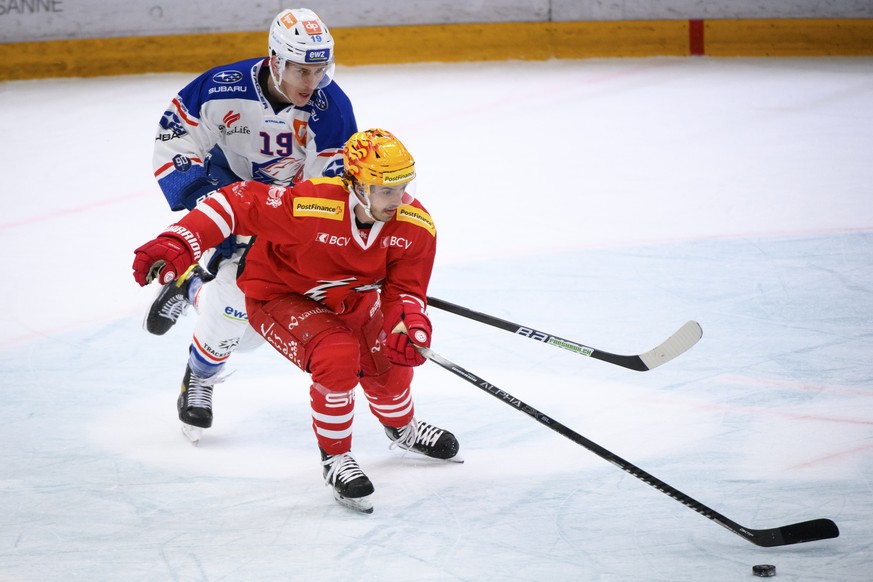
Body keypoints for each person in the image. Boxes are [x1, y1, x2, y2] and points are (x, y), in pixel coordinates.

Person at [132, 128, 461, 513]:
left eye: (403, 187)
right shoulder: (311, 205)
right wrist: (180, 240)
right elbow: (235, 203)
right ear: (356, 185)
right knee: (336, 355)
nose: (398, 199)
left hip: (349, 298)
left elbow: (405, 290)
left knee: (387, 365)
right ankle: (336, 459)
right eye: (386, 190)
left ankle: (402, 429)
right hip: (280, 296)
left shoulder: (414, 226)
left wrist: (409, 321)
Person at [145, 8, 357, 444]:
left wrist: (297, 229)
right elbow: (175, 138)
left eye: (319, 71)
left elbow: (330, 189)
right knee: (234, 302)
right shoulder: (221, 87)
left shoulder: (331, 108)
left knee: (252, 333)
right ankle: (199, 376)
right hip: (226, 194)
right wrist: (205, 201)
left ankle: (190, 287)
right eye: (301, 70)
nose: (311, 82)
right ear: (276, 61)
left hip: (288, 213)